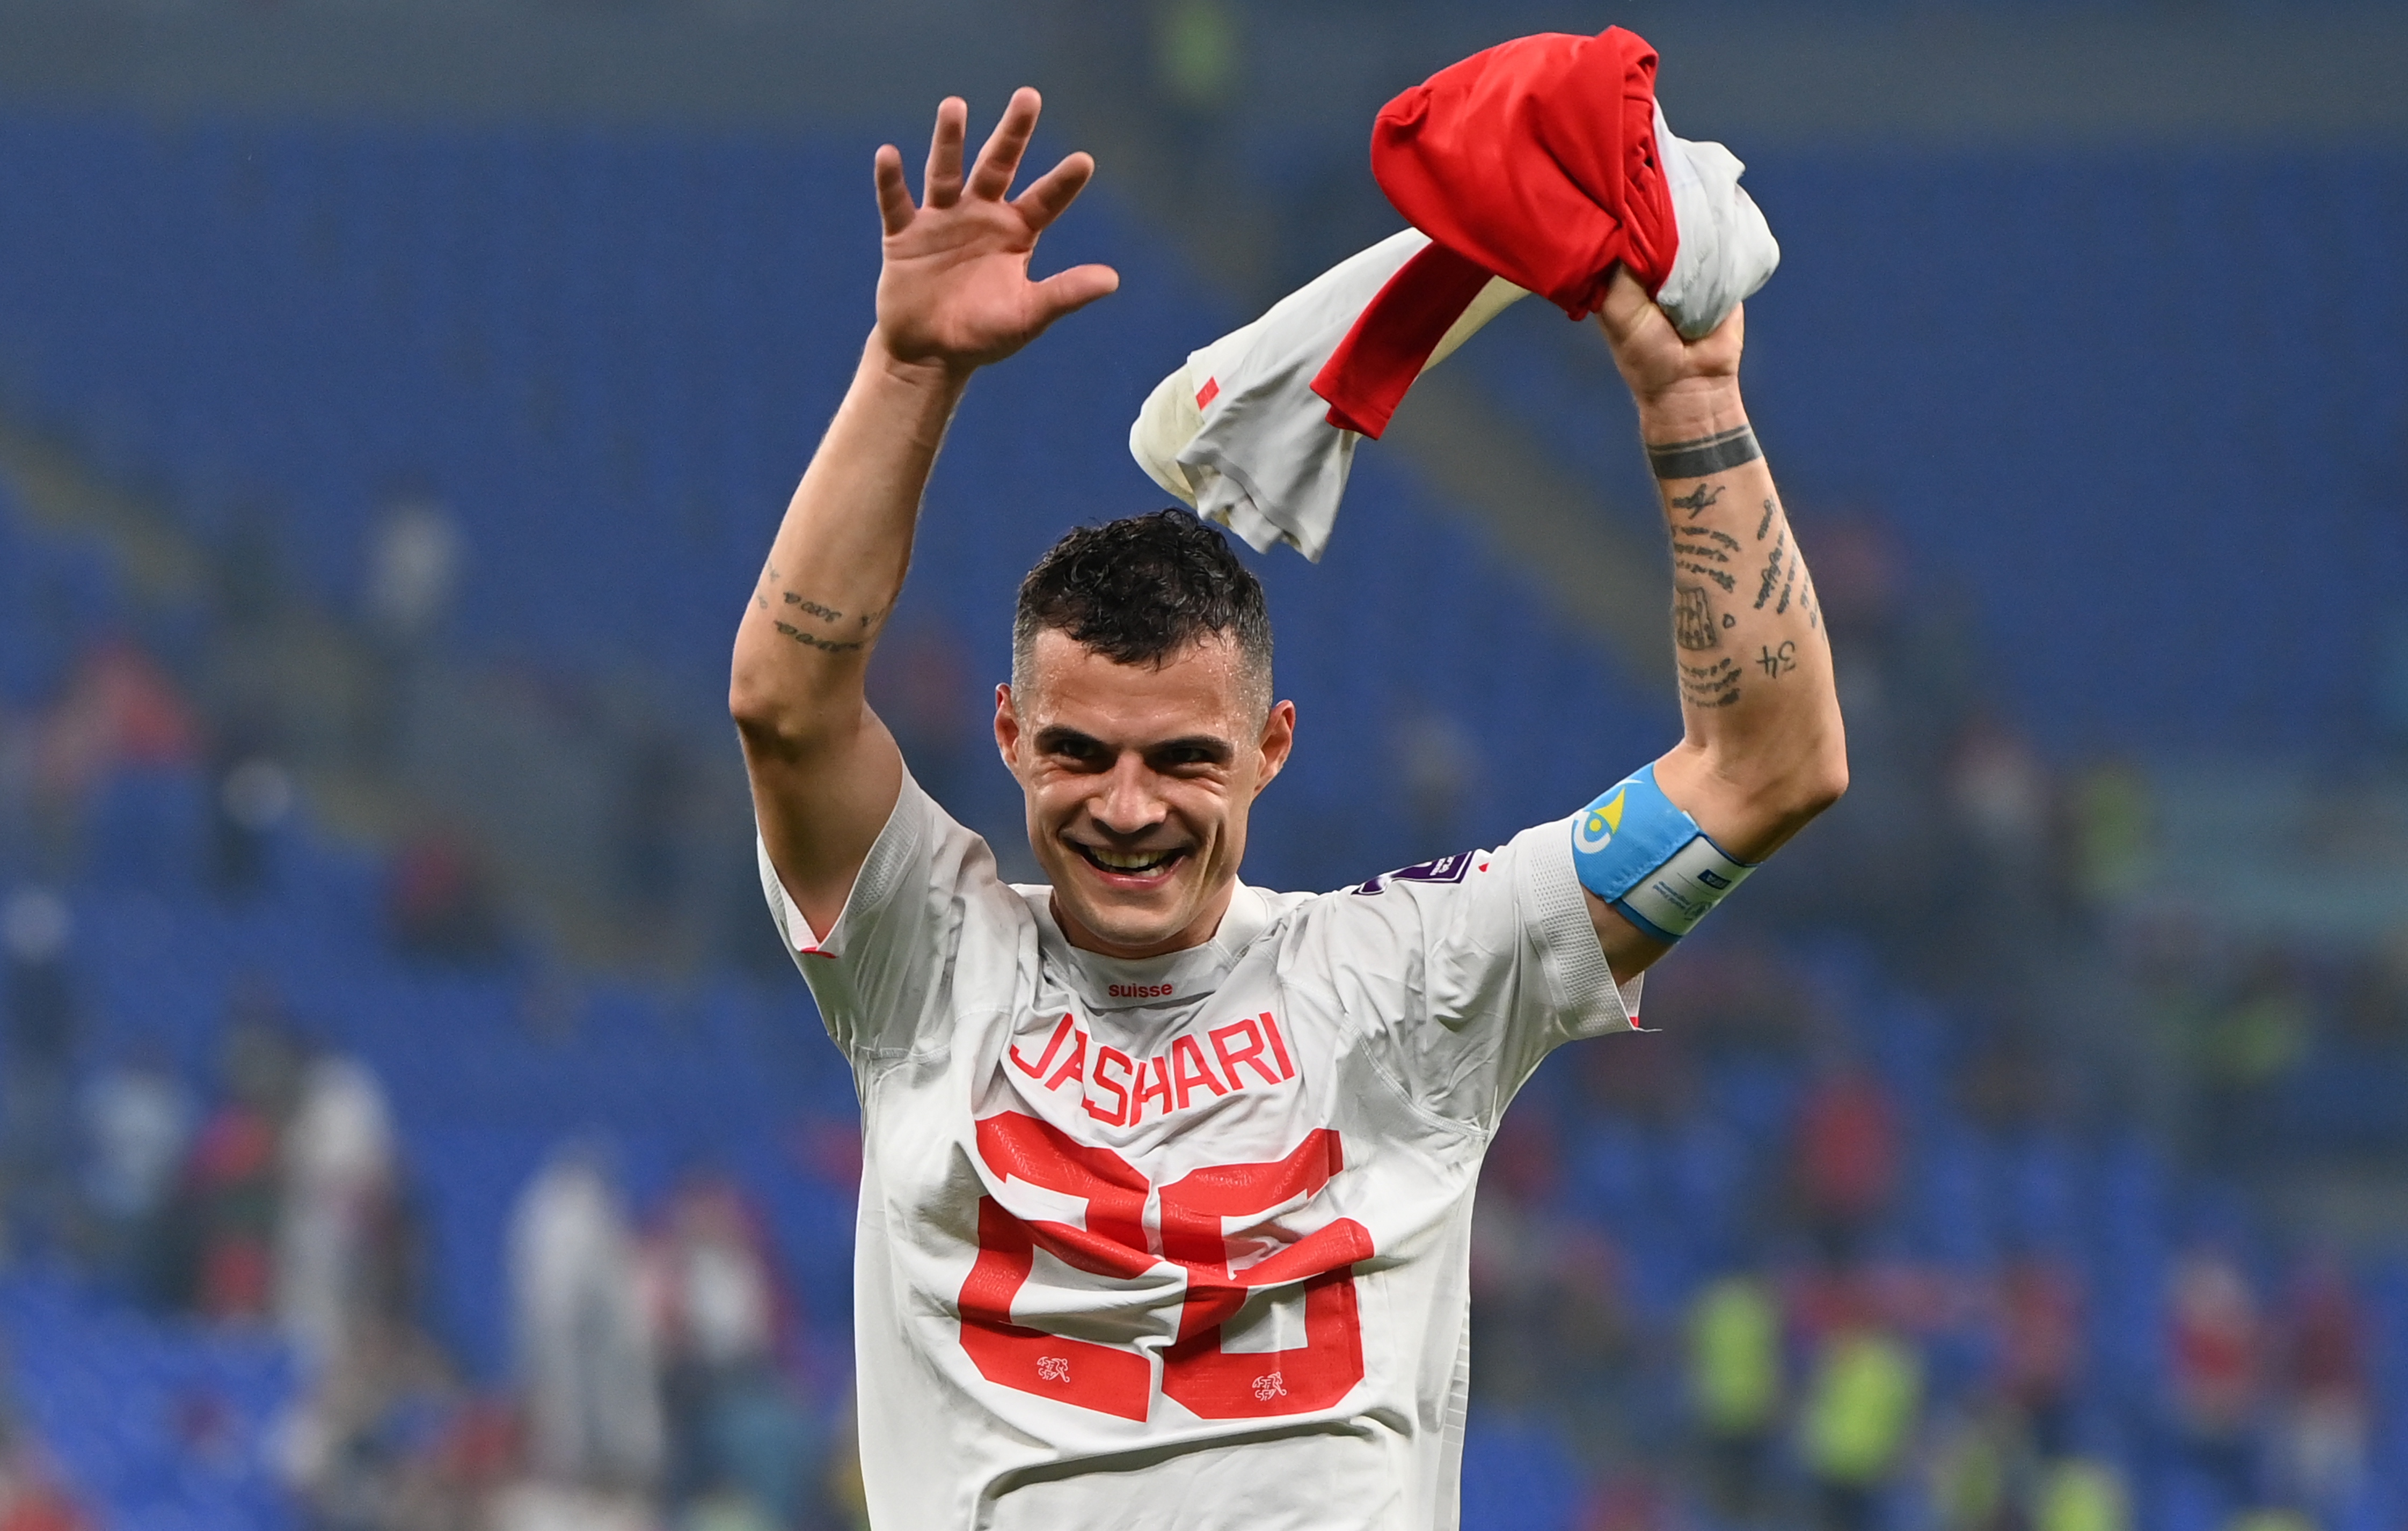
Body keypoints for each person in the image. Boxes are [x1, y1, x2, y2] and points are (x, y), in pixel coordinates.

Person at [727, 88, 1846, 1529]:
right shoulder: (923, 958)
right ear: (1007, 737)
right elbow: (785, 703)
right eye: (1080, 753)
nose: (1127, 808)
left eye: (1184, 761)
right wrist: (907, 368)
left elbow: (1772, 768)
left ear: (1273, 746)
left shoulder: (1413, 973)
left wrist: (1695, 409)